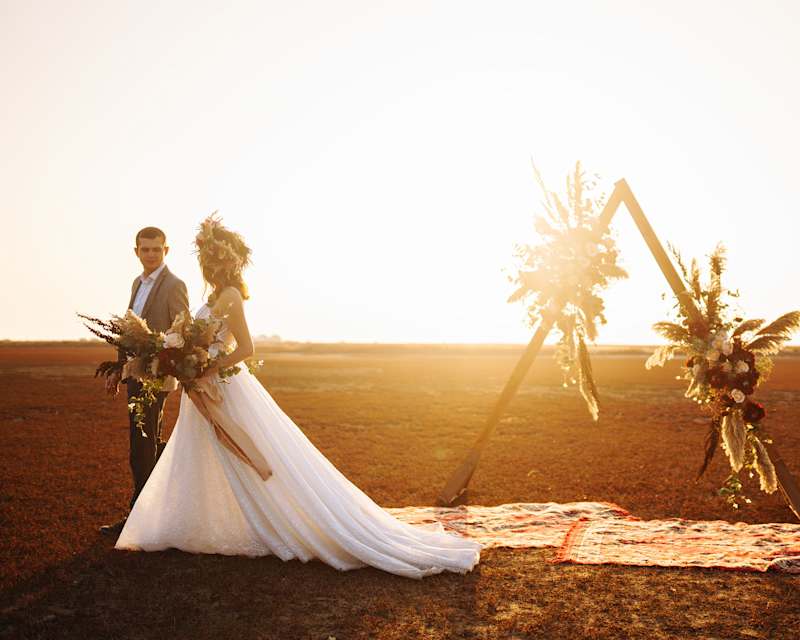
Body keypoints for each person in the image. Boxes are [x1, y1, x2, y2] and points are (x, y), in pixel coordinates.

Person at [115, 215, 481, 578]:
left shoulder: (230, 297)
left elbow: (246, 347)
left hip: (223, 385)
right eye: (205, 260)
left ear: (224, 263)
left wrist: (208, 367)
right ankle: (192, 524)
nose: (208, 266)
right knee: (200, 455)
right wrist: (182, 361)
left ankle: (285, 520)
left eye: (212, 260)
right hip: (203, 388)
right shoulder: (212, 297)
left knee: (250, 454)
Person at [100, 227, 190, 535]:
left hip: (157, 377)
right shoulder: (137, 283)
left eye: (156, 249)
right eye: (145, 249)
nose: (151, 254)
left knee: (142, 443)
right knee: (146, 441)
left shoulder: (175, 285)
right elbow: (129, 330)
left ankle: (140, 517)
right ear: (136, 251)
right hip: (134, 374)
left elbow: (181, 333)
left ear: (167, 250)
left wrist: (163, 359)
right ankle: (156, 509)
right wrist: (117, 368)